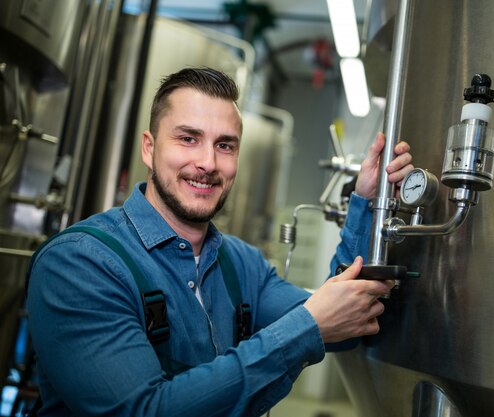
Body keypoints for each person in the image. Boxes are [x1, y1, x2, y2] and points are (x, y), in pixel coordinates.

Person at [26, 67, 414, 417]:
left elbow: (342, 328)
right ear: (149, 147)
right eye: (188, 138)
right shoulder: (79, 263)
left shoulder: (242, 264)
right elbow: (142, 411)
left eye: (225, 145)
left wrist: (365, 202)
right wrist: (306, 328)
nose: (208, 163)